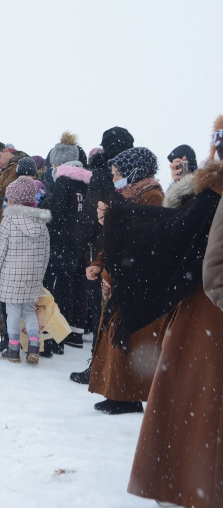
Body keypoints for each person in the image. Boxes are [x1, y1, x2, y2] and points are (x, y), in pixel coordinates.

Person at [97, 158, 222, 508]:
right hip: (202, 311)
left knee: (196, 401)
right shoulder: (210, 192)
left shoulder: (194, 193)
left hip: (205, 314)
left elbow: (196, 251)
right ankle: (187, 483)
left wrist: (120, 219)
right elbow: (186, 240)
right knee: (196, 405)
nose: (176, 168)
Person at [87, 147, 165, 415]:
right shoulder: (124, 197)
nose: (114, 178)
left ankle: (127, 395)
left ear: (133, 171)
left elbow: (141, 239)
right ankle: (115, 391)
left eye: (117, 173)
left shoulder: (152, 196)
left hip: (136, 279)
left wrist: (108, 220)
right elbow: (113, 240)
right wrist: (99, 264)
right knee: (113, 335)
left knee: (127, 337)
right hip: (120, 274)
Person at [0, 177, 52, 364]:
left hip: (11, 275)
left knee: (13, 312)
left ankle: (13, 349)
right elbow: (46, 253)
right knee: (29, 310)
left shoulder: (9, 221)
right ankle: (34, 346)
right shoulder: (41, 222)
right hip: (32, 275)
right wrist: (40, 275)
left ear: (13, 200)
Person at [40, 135, 94, 349]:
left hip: (61, 242)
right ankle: (75, 331)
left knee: (60, 287)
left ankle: (57, 334)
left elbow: (55, 213)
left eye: (53, 163)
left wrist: (44, 207)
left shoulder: (63, 182)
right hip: (80, 241)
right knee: (76, 286)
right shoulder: (86, 182)